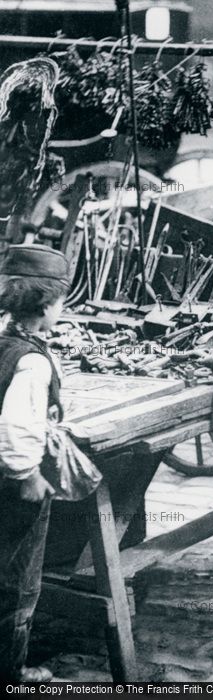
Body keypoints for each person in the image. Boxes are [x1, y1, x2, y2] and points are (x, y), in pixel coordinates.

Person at [0, 244, 70, 682]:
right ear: (45, 307)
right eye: (62, 303)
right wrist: (27, 475)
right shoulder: (31, 361)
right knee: (17, 581)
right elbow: (17, 425)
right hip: (12, 483)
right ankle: (10, 673)